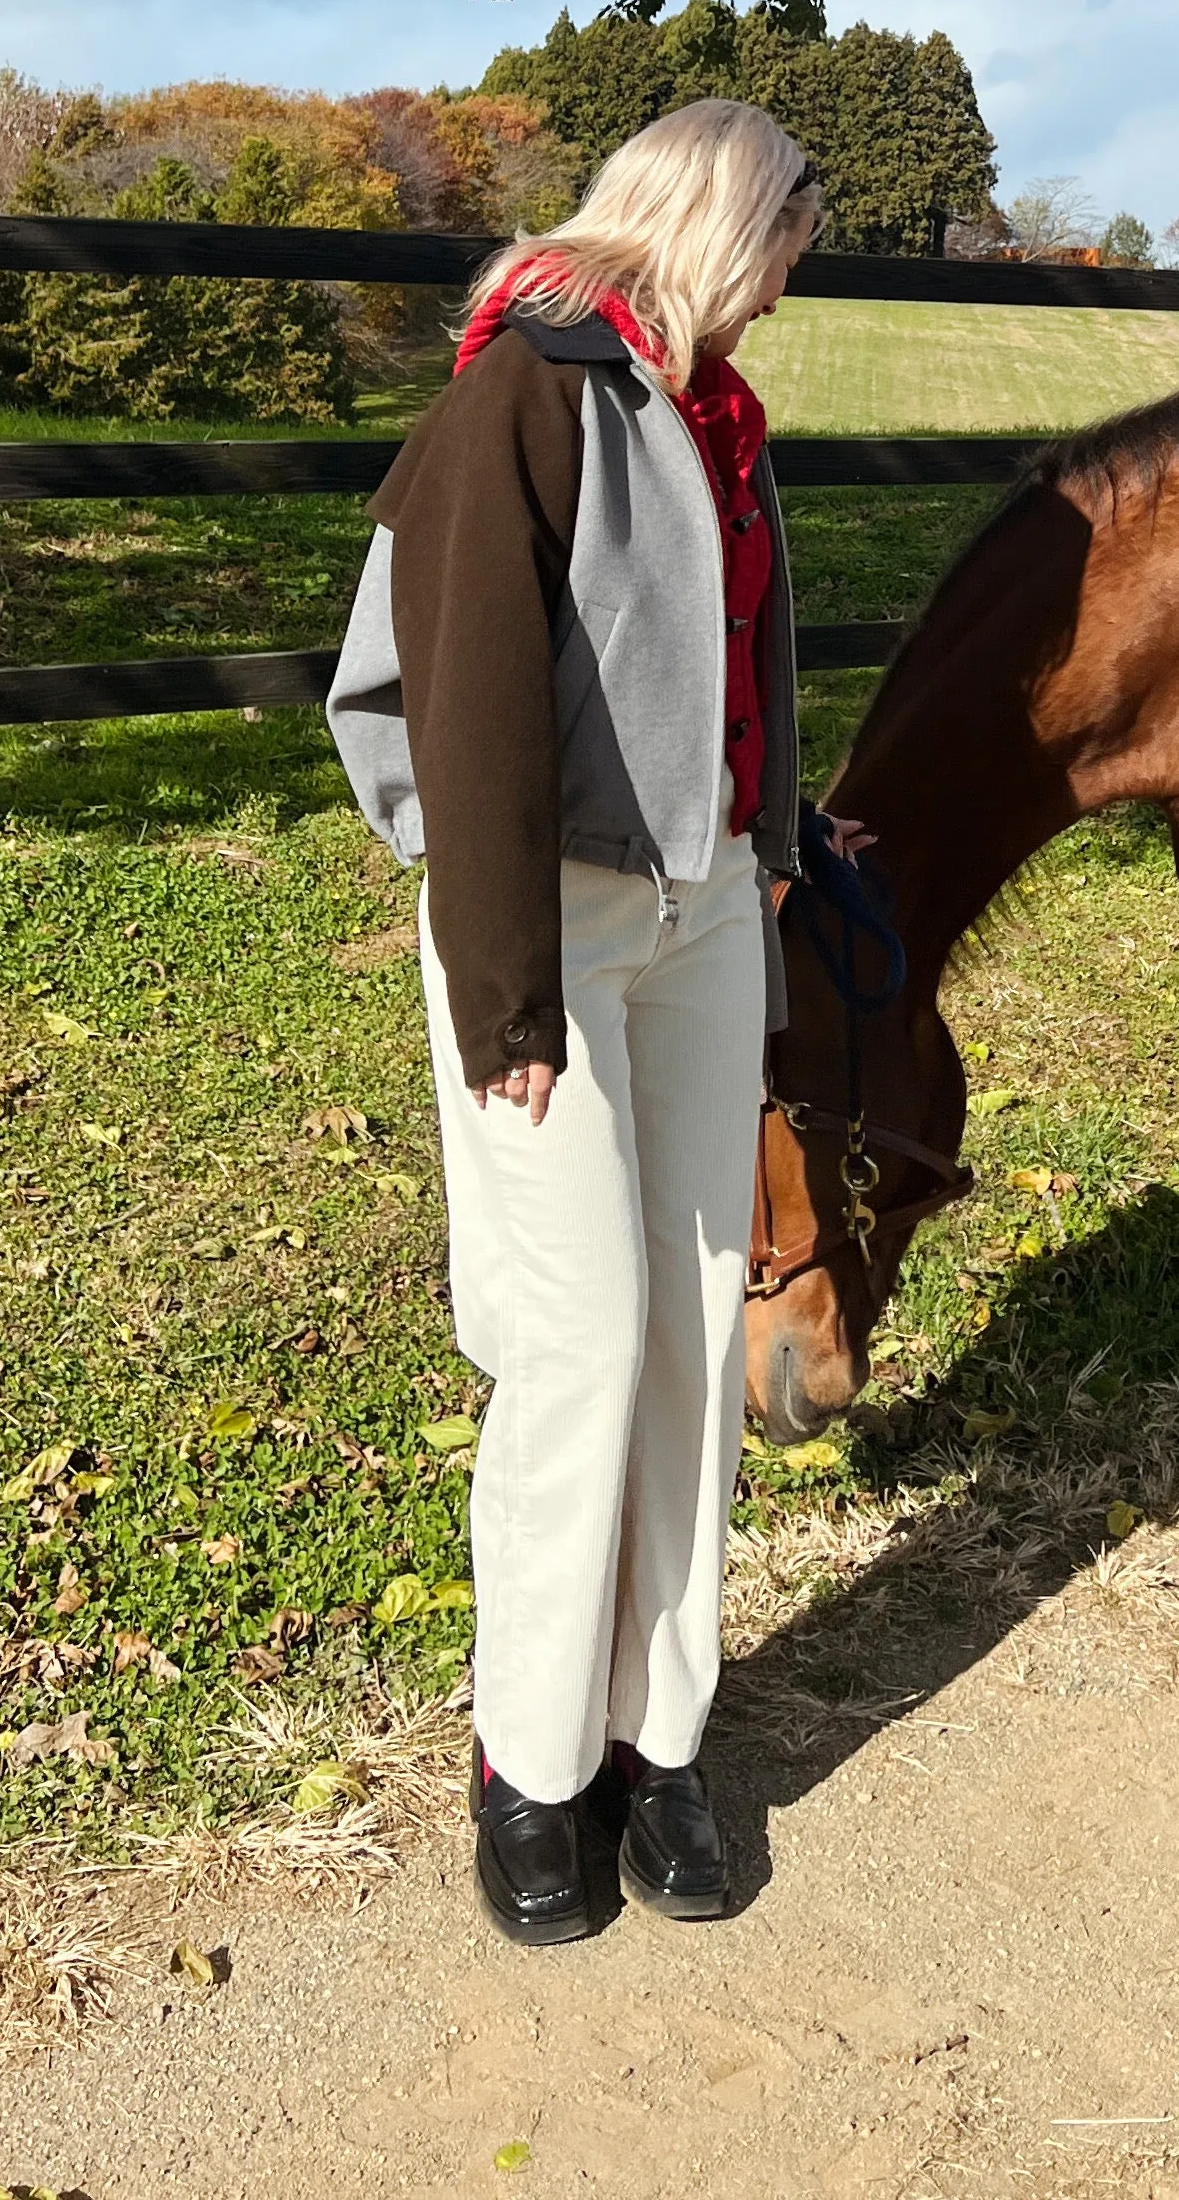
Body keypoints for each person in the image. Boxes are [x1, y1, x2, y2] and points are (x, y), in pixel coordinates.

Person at [328, 99, 861, 1944]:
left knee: (685, 1335)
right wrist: (501, 992)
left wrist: (777, 837)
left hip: (708, 908)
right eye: (792, 227)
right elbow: (456, 706)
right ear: (725, 216)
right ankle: (530, 1765)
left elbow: (735, 660)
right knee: (575, 1346)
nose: (800, 265)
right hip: (539, 921)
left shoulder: (716, 411)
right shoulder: (528, 393)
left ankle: (661, 1738)